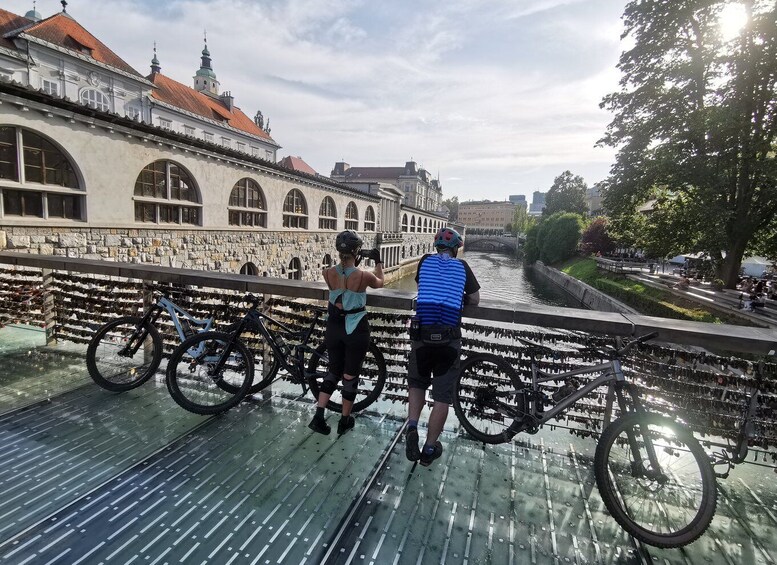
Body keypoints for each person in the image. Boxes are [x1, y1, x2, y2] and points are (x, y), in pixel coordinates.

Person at [405, 227, 480, 466]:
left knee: (417, 384)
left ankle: (413, 427)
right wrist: (461, 298)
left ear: (436, 247)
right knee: (441, 398)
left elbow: (422, 288)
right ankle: (429, 449)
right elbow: (476, 299)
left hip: (422, 335)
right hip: (448, 339)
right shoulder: (463, 267)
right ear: (456, 248)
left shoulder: (424, 261)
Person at [308, 230, 384, 436]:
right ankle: (344, 420)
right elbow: (381, 282)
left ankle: (318, 416)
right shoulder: (364, 276)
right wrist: (378, 262)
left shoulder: (327, 273)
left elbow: (339, 284)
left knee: (333, 371)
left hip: (333, 327)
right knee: (350, 375)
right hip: (356, 328)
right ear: (357, 251)